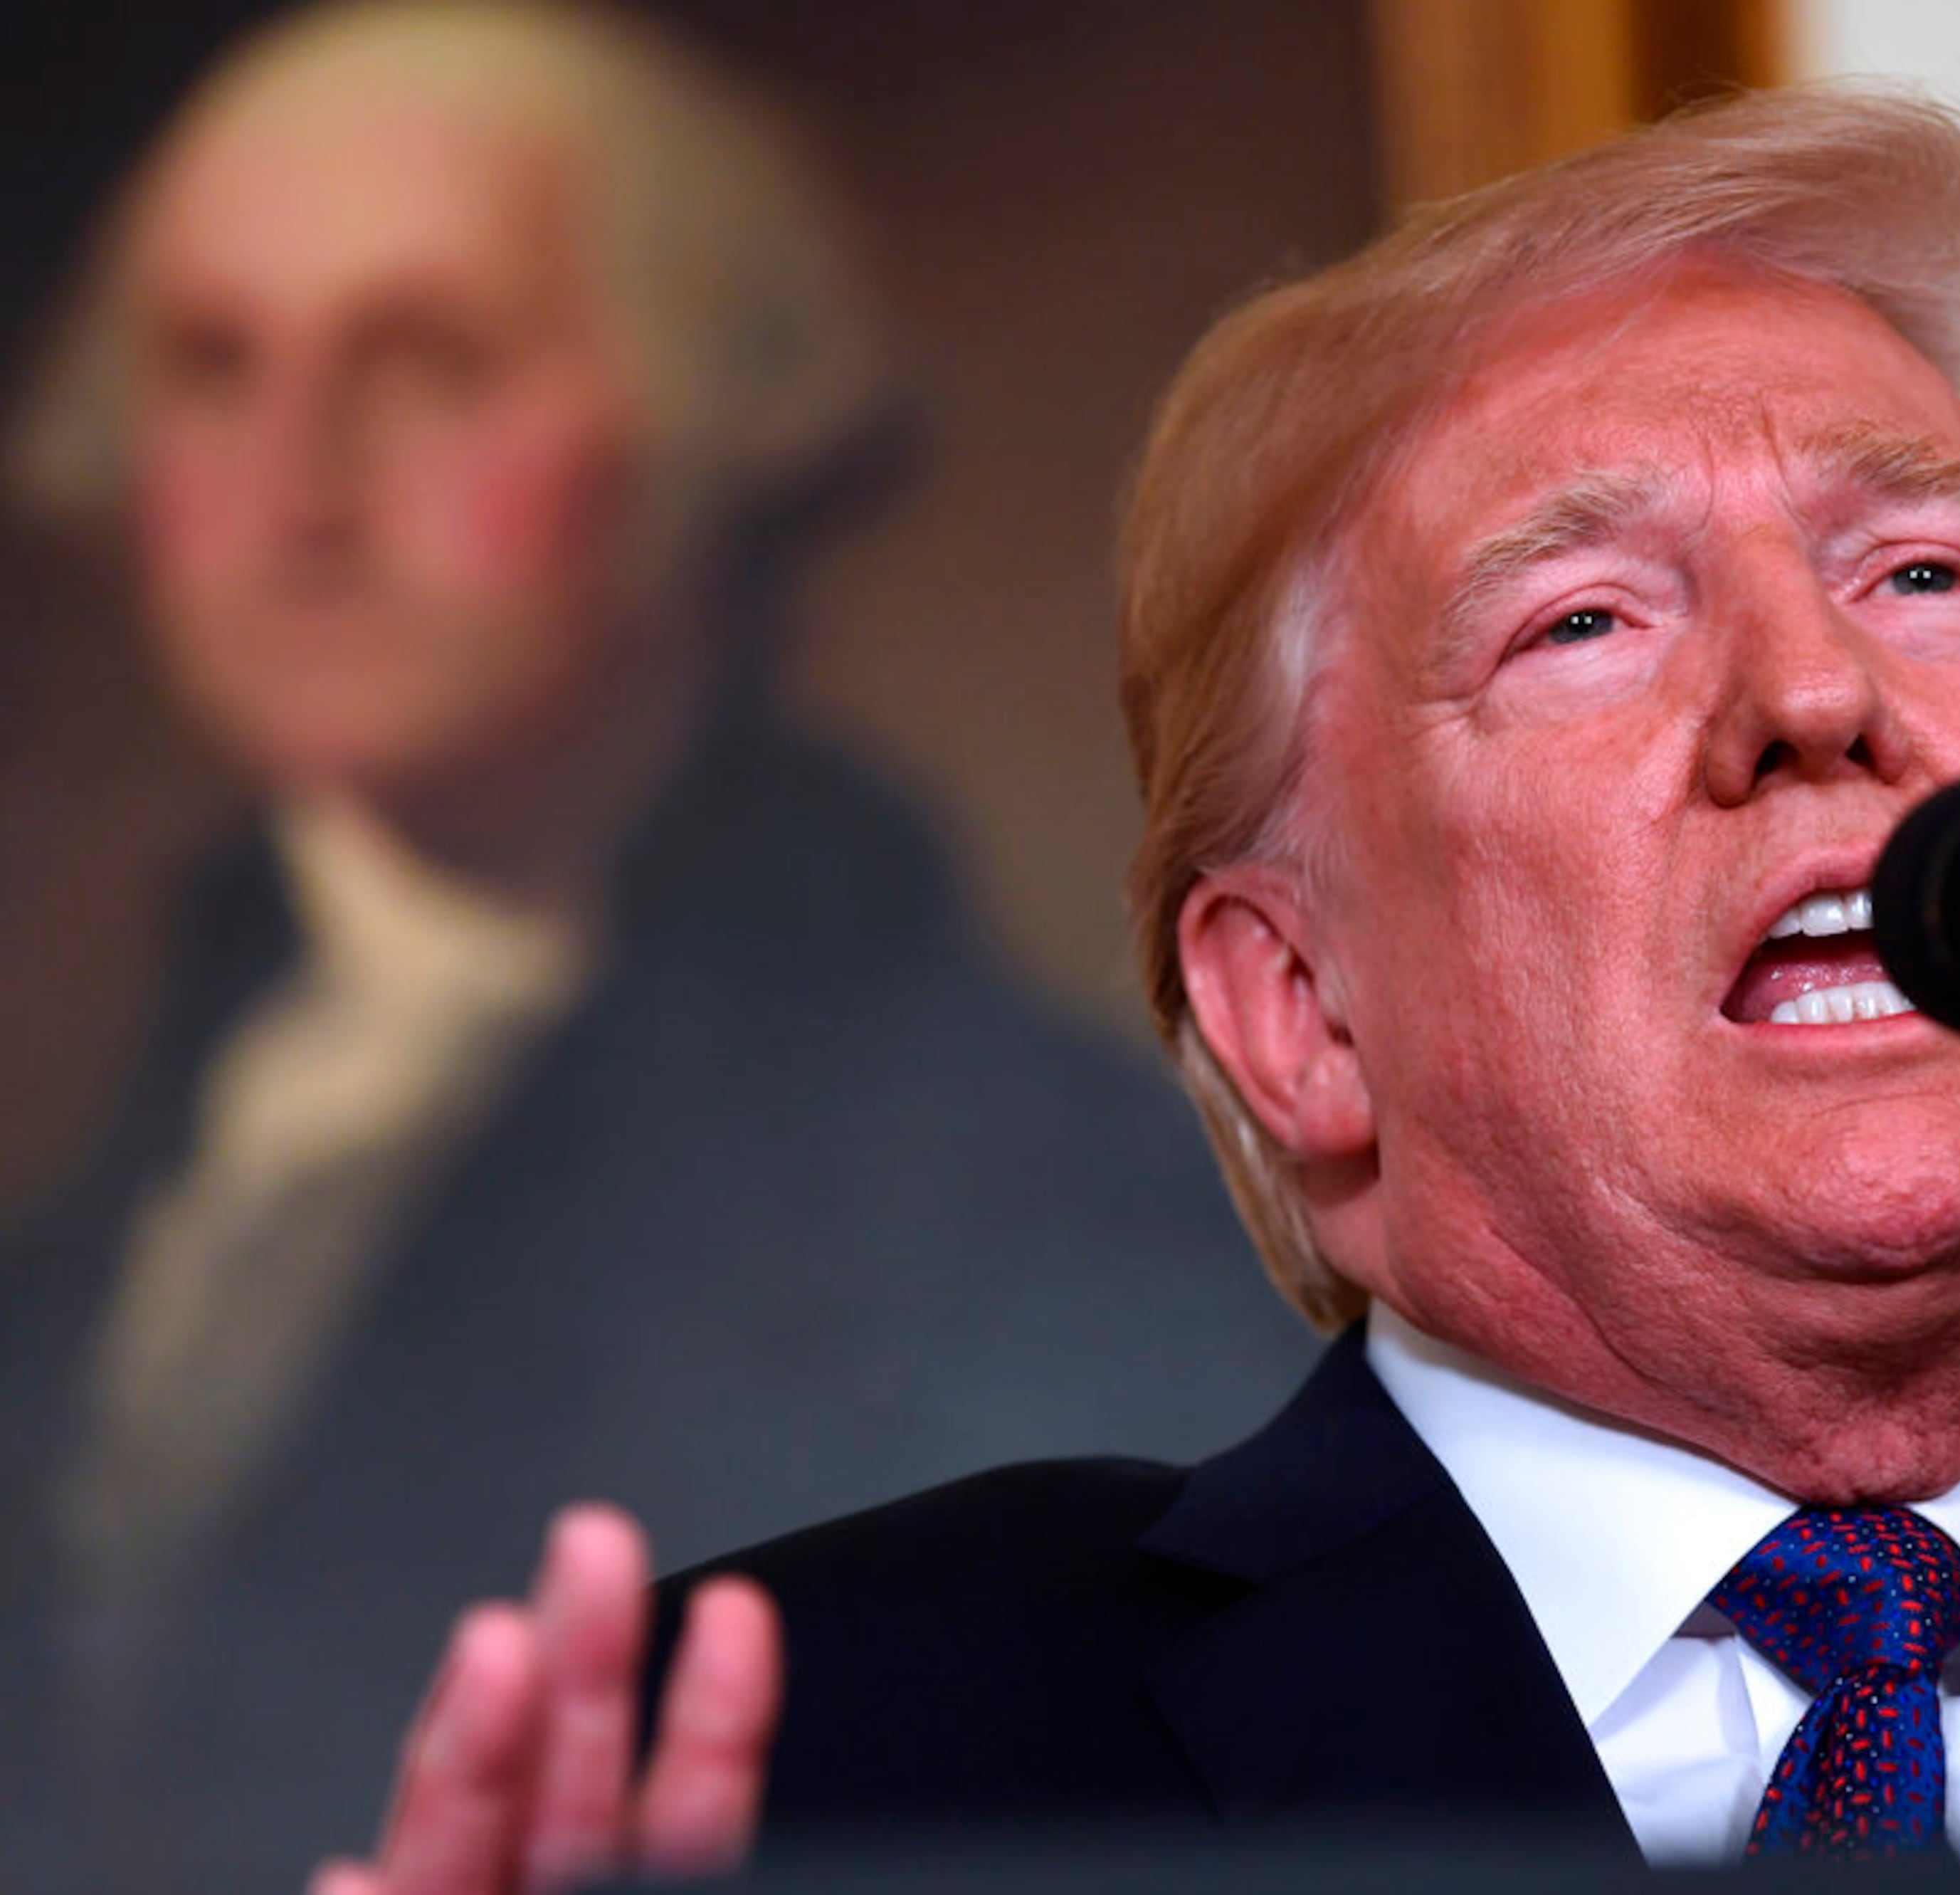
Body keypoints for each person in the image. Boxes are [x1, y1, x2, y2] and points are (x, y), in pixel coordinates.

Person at [314, 83, 1960, 1894]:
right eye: (1585, 617)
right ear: (1297, 1014)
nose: (1815, 692)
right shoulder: (823, 1780)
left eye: (1921, 574)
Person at [0, 4, 1309, 1887]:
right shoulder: (166, 1116)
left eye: (427, 364)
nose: (297, 481)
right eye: (211, 366)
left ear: (710, 420)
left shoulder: (1014, 1177)